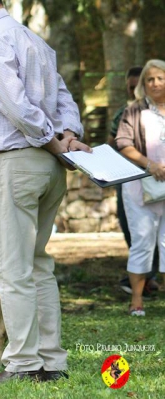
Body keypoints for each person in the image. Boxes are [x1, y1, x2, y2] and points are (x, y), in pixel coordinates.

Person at [0, 0, 90, 384]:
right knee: (38, 264)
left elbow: (16, 107)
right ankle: (51, 360)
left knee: (12, 268)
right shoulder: (33, 40)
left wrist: (52, 140)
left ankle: (25, 364)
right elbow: (63, 97)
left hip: (15, 161)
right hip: (47, 166)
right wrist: (69, 134)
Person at [115, 59, 165, 317]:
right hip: (140, 187)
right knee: (143, 242)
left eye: (160, 78)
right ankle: (136, 301)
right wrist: (150, 165)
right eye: (150, 79)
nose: (155, 83)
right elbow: (123, 143)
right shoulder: (134, 110)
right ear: (143, 84)